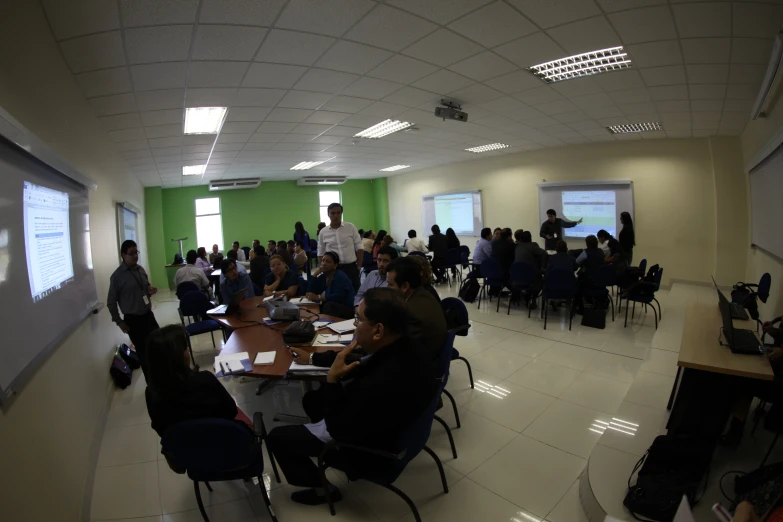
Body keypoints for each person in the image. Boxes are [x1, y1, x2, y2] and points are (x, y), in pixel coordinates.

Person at [268, 288, 439, 506]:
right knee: (311, 400)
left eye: (358, 319)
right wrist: (317, 359)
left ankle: (325, 490)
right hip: (394, 429)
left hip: (371, 452)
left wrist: (332, 381)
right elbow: (364, 362)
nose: (355, 324)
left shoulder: (379, 383)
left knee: (277, 437)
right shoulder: (408, 347)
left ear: (378, 330)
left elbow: (338, 428)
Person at [144, 324, 251, 438]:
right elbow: (231, 411)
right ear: (179, 356)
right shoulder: (205, 380)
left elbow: (161, 430)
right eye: (185, 348)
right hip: (223, 441)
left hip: (187, 451)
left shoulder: (151, 393)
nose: (188, 351)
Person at [108, 240, 159, 379]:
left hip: (148, 315)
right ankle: (152, 384)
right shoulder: (117, 277)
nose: (135, 256)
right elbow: (111, 302)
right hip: (133, 321)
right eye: (131, 253)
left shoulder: (140, 269)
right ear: (123, 255)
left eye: (136, 252)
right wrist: (119, 322)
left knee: (159, 344)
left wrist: (149, 289)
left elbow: (145, 288)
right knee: (144, 353)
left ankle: (162, 376)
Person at [386, 257, 447, 361]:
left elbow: (392, 344)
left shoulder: (410, 312)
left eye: (390, 285)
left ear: (405, 286)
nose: (387, 288)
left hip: (417, 366)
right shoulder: (424, 293)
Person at [317, 202, 363, 291]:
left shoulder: (350, 227)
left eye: (338, 213)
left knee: (355, 293)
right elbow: (321, 252)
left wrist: (359, 266)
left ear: (341, 213)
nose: (336, 215)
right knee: (335, 294)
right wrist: (324, 268)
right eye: (333, 213)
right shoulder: (323, 232)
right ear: (328, 214)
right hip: (333, 269)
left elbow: (360, 247)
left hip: (351, 268)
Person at [306, 252, 355, 319]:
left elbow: (339, 297)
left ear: (336, 265)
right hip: (332, 308)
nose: (324, 263)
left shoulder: (340, 276)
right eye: (323, 261)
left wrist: (319, 297)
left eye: (328, 262)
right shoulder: (324, 276)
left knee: (328, 306)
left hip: (346, 309)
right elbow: (311, 291)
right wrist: (315, 274)